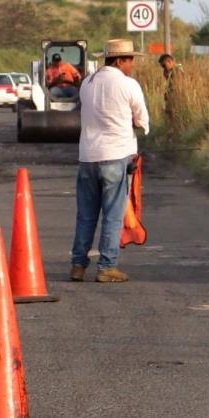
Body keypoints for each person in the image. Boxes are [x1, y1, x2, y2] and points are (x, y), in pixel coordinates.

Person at [70, 39, 150, 284]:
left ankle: (78, 265)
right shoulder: (129, 85)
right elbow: (142, 121)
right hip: (116, 156)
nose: (133, 64)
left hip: (87, 157)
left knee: (86, 216)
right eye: (130, 59)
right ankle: (107, 266)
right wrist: (134, 124)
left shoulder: (88, 83)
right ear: (119, 61)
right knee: (113, 216)